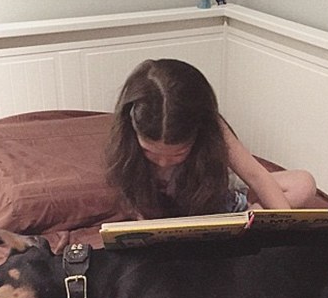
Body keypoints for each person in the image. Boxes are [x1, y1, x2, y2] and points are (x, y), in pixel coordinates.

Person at [106, 58, 317, 220]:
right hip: (169, 217)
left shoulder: (213, 130)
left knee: (304, 183)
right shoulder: (128, 149)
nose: (163, 162)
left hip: (219, 204)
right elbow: (134, 204)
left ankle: (246, 220)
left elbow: (256, 175)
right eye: (149, 151)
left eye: (178, 153)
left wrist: (286, 225)